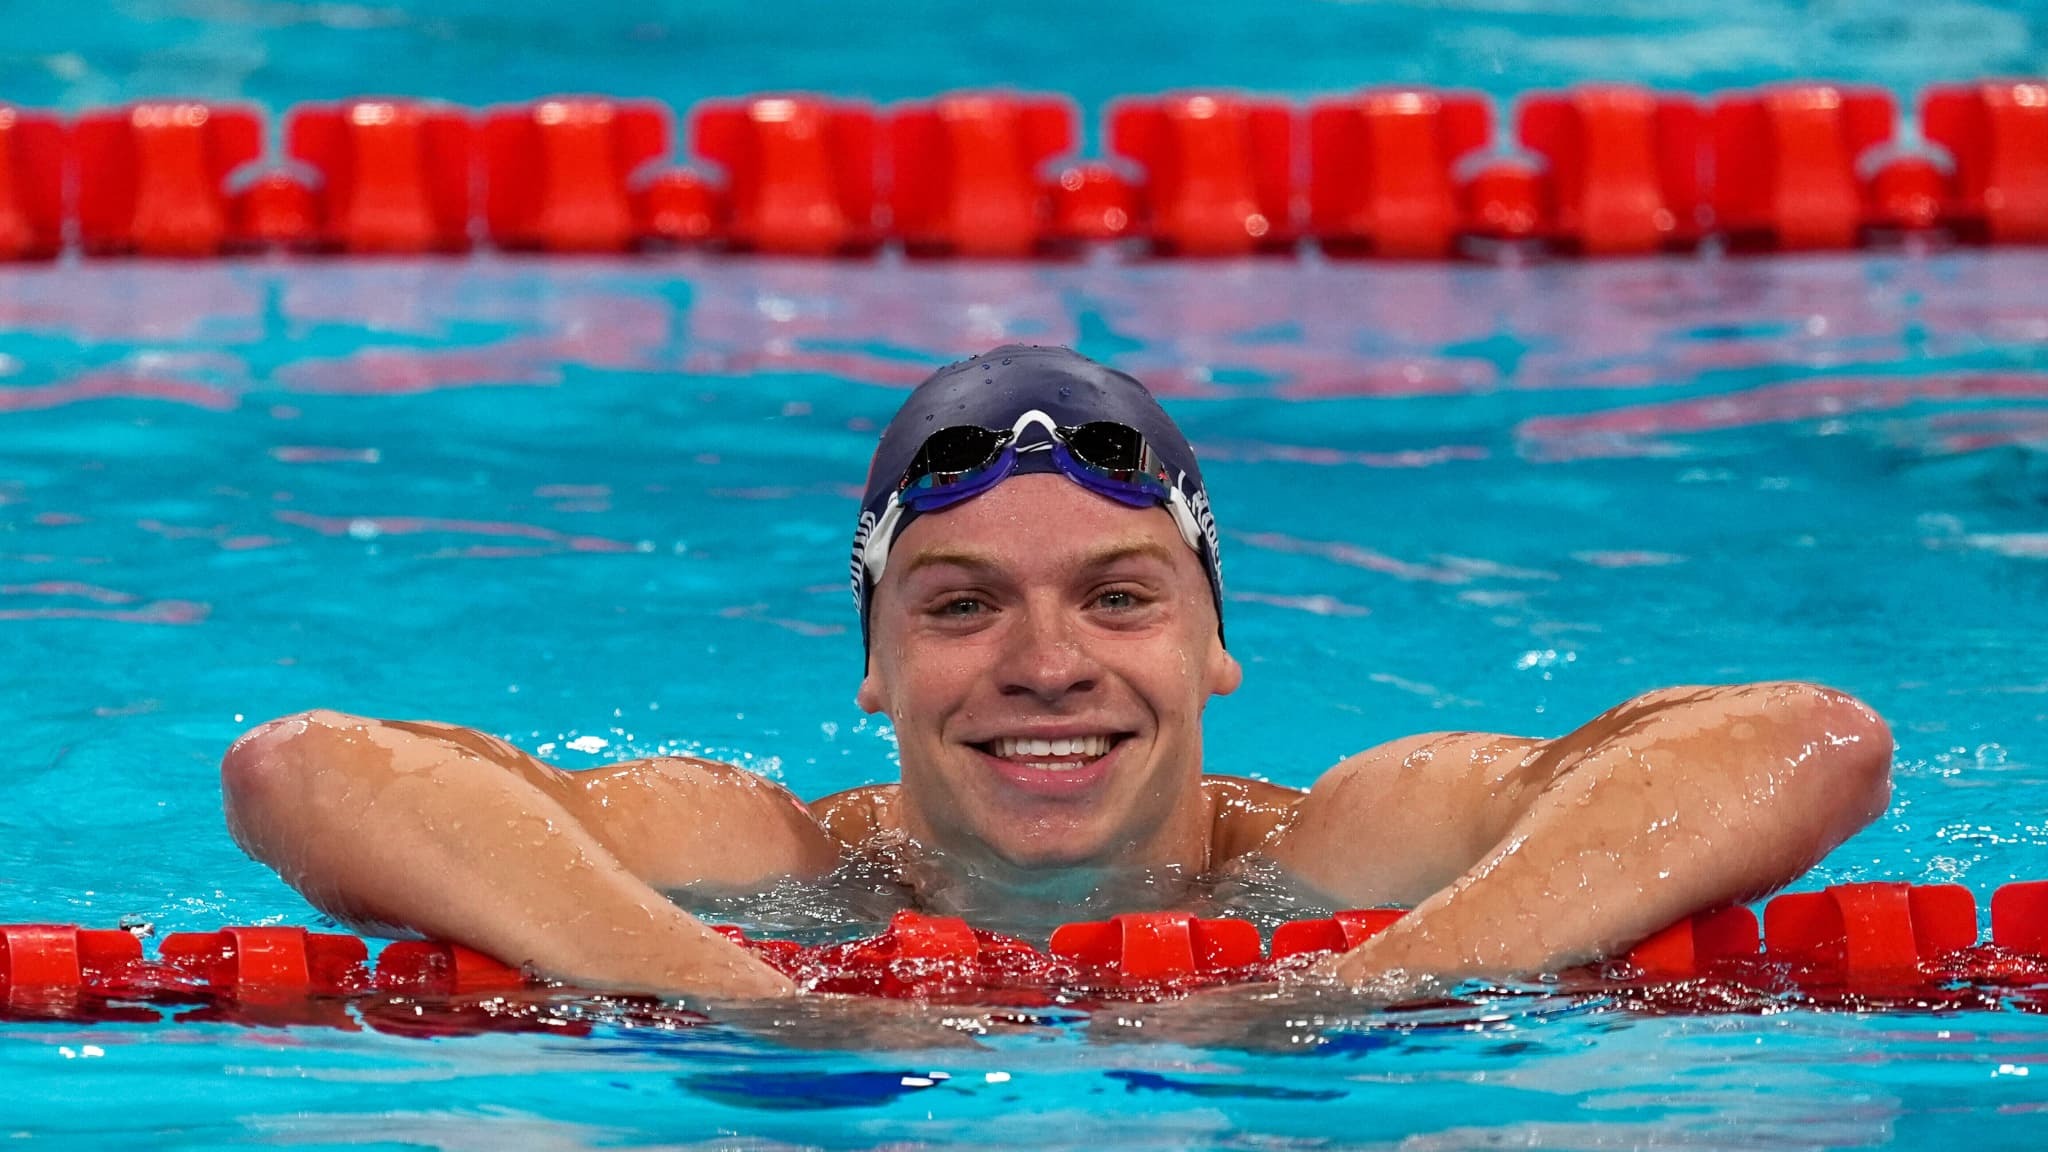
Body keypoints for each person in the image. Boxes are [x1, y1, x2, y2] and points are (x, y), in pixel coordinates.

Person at [220, 345, 1893, 1000]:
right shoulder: (762, 861)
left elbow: (1806, 742)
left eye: (1118, 597)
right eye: (956, 608)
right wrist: (749, 1003)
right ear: (872, 670)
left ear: (1214, 642)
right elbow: (308, 770)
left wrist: (1355, 986)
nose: (1045, 666)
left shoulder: (1353, 848)